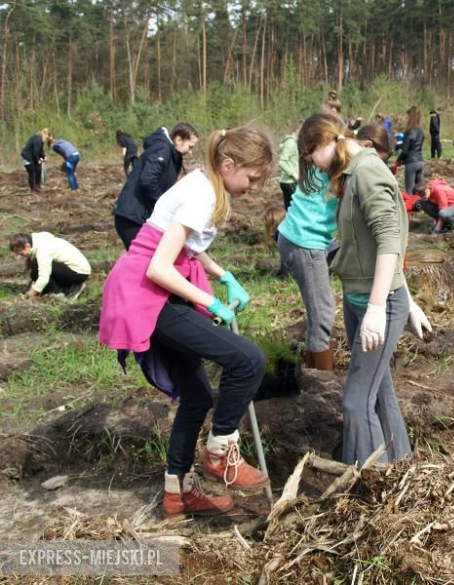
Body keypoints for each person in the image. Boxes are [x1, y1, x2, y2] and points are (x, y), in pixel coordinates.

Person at [99, 127, 275, 517]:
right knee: (249, 361)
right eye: (252, 178)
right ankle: (220, 452)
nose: (254, 187)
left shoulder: (204, 185)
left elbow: (185, 249)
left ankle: (177, 492)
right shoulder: (202, 194)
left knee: (197, 397)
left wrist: (224, 276)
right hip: (146, 295)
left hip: (155, 290)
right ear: (229, 165)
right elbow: (160, 266)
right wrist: (210, 300)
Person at [297, 111, 432, 466]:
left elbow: (390, 240)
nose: (311, 162)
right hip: (364, 298)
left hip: (379, 302)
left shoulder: (368, 173)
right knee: (380, 391)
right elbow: (378, 242)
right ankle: (401, 466)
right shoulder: (354, 174)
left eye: (310, 153)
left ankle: (371, 487)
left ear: (326, 142)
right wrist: (404, 300)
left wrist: (381, 307)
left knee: (355, 403)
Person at [278, 123, 393, 372]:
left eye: (310, 155)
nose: (310, 162)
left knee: (325, 301)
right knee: (323, 311)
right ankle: (321, 377)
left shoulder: (340, 163)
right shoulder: (340, 167)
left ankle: (314, 361)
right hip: (304, 241)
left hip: (305, 236)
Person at [113, 123, 199, 250]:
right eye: (190, 146)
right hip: (131, 217)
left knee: (147, 260)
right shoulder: (163, 149)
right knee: (143, 261)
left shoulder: (172, 155)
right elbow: (148, 179)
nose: (190, 152)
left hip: (140, 215)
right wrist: (163, 203)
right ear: (178, 139)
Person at [9, 232, 91, 299]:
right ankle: (66, 288)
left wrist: (31, 293)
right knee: (34, 273)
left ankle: (59, 295)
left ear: (27, 246)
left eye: (21, 253)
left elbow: (44, 277)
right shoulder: (38, 239)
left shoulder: (43, 251)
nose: (21, 256)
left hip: (78, 272)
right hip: (73, 270)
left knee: (36, 266)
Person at [395, 106, 425, 194]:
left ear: (411, 118)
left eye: (407, 117)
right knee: (421, 190)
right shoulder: (421, 131)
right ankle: (421, 206)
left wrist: (398, 160)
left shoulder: (408, 132)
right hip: (420, 161)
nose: (406, 119)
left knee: (409, 191)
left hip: (411, 163)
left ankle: (410, 206)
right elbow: (417, 147)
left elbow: (405, 150)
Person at [20, 128, 51, 193]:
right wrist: (37, 160)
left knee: (38, 170)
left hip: (32, 157)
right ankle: (33, 189)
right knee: (32, 172)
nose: (47, 139)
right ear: (45, 134)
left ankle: (37, 186)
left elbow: (40, 151)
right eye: (47, 137)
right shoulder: (37, 139)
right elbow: (35, 151)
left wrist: (44, 157)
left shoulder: (41, 141)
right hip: (27, 157)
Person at [278, 121, 301, 211]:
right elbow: (281, 162)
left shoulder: (294, 142)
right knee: (294, 211)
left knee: (291, 210)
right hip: (290, 182)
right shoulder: (290, 143)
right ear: (298, 129)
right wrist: (294, 174)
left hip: (290, 181)